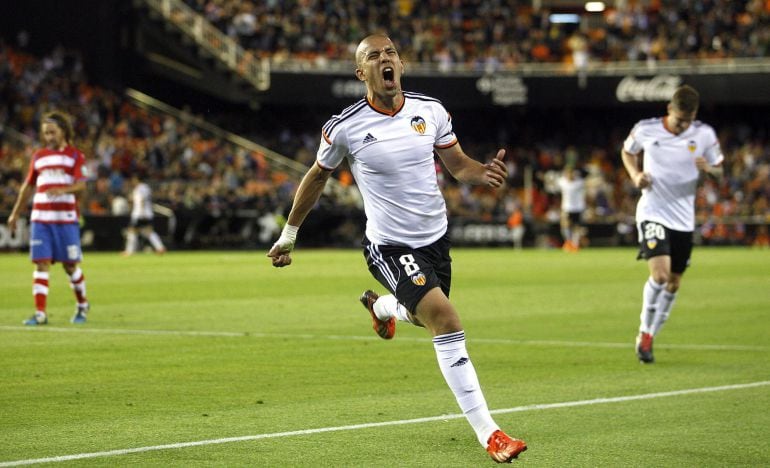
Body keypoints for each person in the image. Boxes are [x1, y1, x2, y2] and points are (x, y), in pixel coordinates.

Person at [267, 34, 527, 463]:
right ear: (361, 73)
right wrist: (289, 234)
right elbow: (317, 177)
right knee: (445, 319)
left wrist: (484, 173)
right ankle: (491, 434)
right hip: (389, 246)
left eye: (390, 53)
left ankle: (383, 309)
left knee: (422, 312)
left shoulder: (431, 111)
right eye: (374, 56)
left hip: (436, 241)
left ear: (400, 65)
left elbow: (457, 164)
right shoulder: (344, 127)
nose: (384, 60)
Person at [621, 85, 724, 364]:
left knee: (674, 283)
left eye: (687, 121)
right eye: (679, 120)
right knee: (661, 275)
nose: (683, 126)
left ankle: (651, 335)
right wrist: (635, 175)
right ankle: (644, 331)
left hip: (683, 219)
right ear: (669, 109)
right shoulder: (646, 129)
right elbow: (628, 152)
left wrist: (709, 170)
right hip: (653, 210)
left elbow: (720, 170)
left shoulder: (704, 134)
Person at [7, 111, 91, 325]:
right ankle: (40, 313)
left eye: (53, 132)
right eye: (46, 133)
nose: (49, 137)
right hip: (40, 219)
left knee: (70, 266)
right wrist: (15, 213)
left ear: (63, 131)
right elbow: (28, 186)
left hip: (65, 219)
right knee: (41, 264)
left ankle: (82, 305)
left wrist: (64, 190)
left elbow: (82, 184)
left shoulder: (75, 156)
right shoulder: (39, 156)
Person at [122, 173, 166, 256]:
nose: (132, 181)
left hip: (140, 214)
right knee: (149, 232)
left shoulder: (139, 188)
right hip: (148, 213)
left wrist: (141, 212)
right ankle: (160, 247)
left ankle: (129, 251)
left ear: (137, 179)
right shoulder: (146, 187)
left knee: (132, 231)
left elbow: (141, 200)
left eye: (133, 179)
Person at [557, 167, 586, 252]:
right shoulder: (562, 182)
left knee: (576, 227)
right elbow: (551, 182)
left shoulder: (579, 182)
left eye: (571, 173)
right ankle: (568, 242)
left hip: (578, 208)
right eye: (568, 174)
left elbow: (589, 183)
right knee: (565, 224)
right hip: (566, 208)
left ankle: (575, 245)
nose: (569, 175)